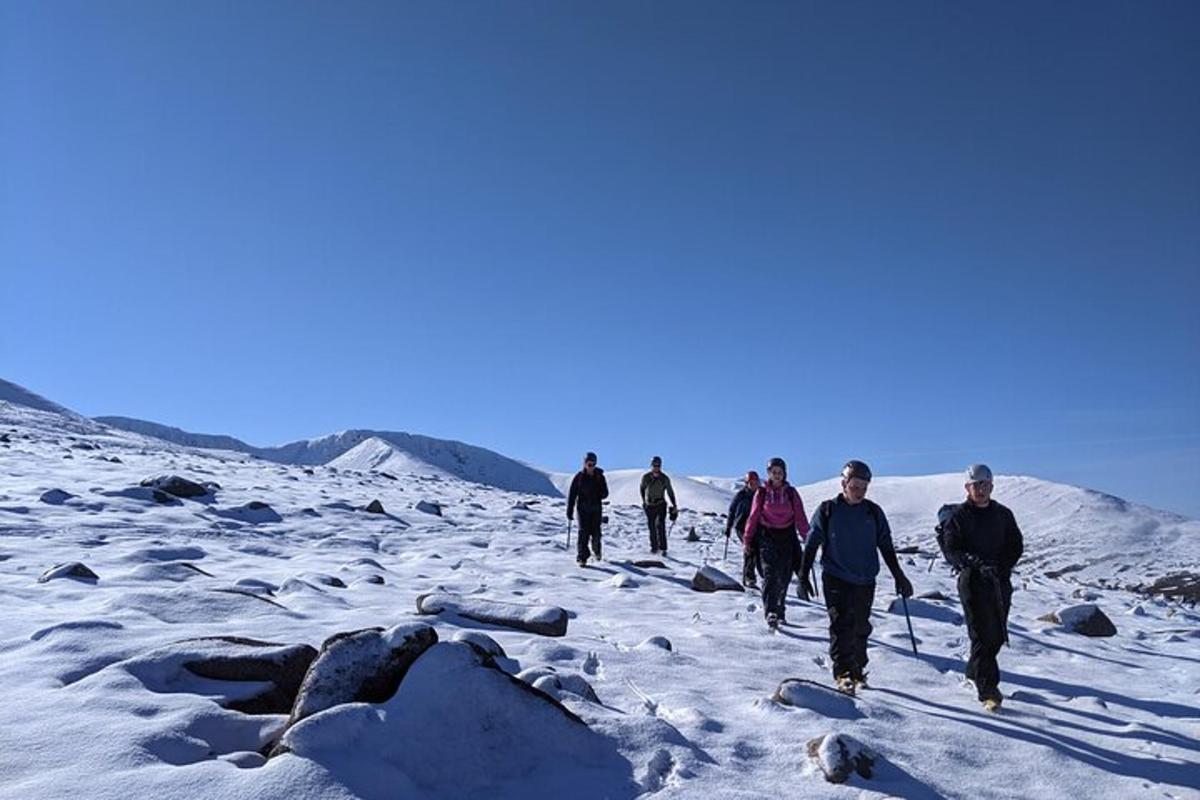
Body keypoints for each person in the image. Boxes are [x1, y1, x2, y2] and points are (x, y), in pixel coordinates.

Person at [798, 460, 913, 694]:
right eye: (855, 486)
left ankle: (858, 669)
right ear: (844, 484)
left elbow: (886, 547)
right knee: (841, 624)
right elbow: (811, 544)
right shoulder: (828, 510)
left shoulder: (873, 512)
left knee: (860, 627)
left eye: (864, 487)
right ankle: (843, 673)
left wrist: (899, 576)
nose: (859, 492)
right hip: (835, 576)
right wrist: (803, 575)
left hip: (865, 579)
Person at [939, 464, 1024, 711]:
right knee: (980, 635)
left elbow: (1016, 544)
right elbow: (952, 549)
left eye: (984, 484)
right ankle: (989, 691)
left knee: (996, 635)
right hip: (972, 581)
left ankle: (973, 671)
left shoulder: (1003, 514)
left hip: (999, 580)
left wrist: (1003, 565)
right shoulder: (959, 517)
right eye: (975, 484)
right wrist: (972, 562)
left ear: (991, 486)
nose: (980, 489)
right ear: (967, 488)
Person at [743, 457, 809, 629]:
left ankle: (780, 610)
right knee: (770, 574)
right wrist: (747, 539)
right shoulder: (762, 492)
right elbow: (754, 516)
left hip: (787, 537)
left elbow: (800, 517)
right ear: (769, 474)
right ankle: (770, 611)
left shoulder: (791, 493)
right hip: (767, 536)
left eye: (780, 472)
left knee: (784, 577)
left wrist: (808, 539)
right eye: (774, 472)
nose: (777, 475)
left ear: (784, 474)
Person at [567, 451, 609, 567]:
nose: (591, 467)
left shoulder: (600, 477)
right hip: (582, 509)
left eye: (593, 464)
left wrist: (601, 493)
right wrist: (569, 510)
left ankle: (597, 551)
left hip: (596, 509)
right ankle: (582, 558)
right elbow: (572, 495)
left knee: (596, 533)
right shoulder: (579, 477)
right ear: (584, 464)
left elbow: (605, 493)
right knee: (583, 533)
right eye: (589, 464)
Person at [724, 471, 761, 587]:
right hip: (741, 526)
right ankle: (749, 578)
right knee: (749, 549)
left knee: (756, 551)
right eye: (751, 483)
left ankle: (752, 576)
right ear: (747, 483)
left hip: (756, 527)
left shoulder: (760, 494)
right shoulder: (741, 495)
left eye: (756, 482)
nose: (754, 485)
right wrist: (728, 526)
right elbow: (732, 510)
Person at [640, 456, 677, 555]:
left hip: (660, 504)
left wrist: (674, 504)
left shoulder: (664, 478)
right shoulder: (646, 477)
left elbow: (670, 492)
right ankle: (654, 548)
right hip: (649, 505)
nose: (656, 467)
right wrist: (644, 501)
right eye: (655, 465)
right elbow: (642, 489)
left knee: (660, 525)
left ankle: (663, 548)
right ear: (651, 466)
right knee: (651, 527)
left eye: (658, 465)